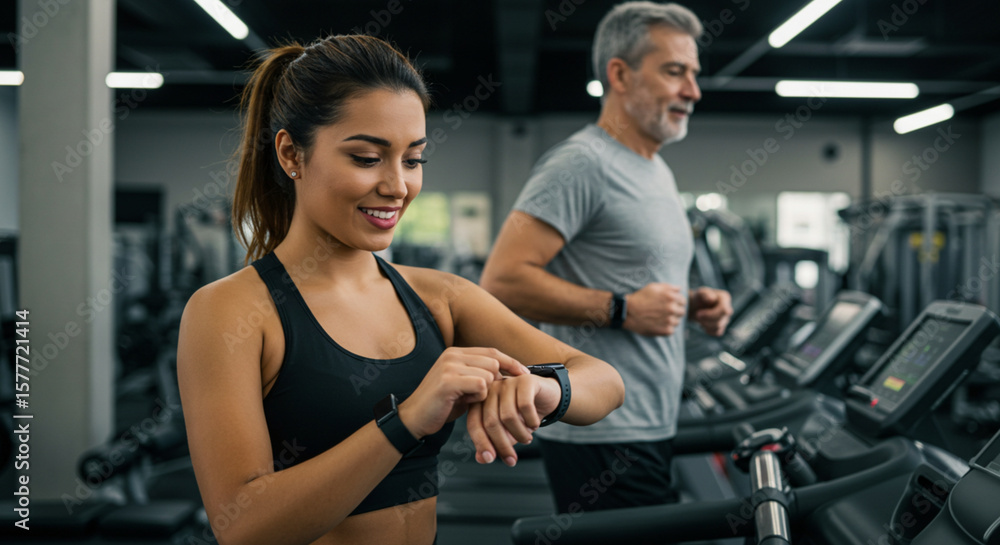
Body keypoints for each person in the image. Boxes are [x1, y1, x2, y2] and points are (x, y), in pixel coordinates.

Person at [176, 34, 624, 545]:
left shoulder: (440, 297)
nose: (397, 185)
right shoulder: (231, 311)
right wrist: (407, 420)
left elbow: (605, 382)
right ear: (291, 154)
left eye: (413, 160)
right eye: (367, 158)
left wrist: (542, 388)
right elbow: (242, 524)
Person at [480, 2, 732, 514]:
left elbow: (634, 277)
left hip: (652, 418)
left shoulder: (655, 168)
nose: (693, 91)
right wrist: (622, 308)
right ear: (620, 73)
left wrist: (694, 303)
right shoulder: (580, 164)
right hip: (603, 432)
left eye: (694, 74)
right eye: (674, 72)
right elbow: (502, 281)